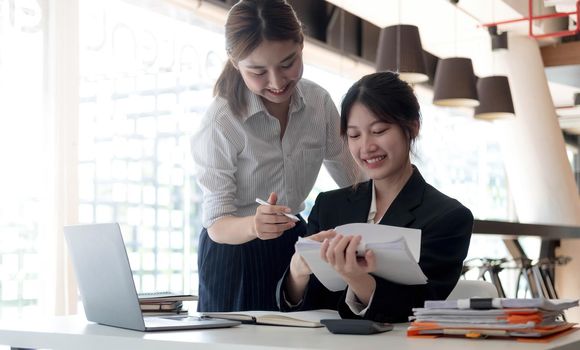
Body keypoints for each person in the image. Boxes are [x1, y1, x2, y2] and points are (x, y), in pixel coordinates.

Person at [191, 0, 358, 312]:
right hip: (233, 252)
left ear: (301, 45)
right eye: (257, 71)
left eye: (287, 63)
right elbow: (216, 222)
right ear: (235, 61)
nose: (277, 82)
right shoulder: (222, 121)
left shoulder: (319, 103)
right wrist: (255, 226)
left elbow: (355, 182)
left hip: (294, 245)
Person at [277, 71, 473, 323]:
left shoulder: (448, 217)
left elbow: (421, 305)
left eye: (379, 130)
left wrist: (356, 278)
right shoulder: (329, 206)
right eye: (354, 135)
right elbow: (305, 306)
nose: (366, 147)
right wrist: (297, 272)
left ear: (412, 127)